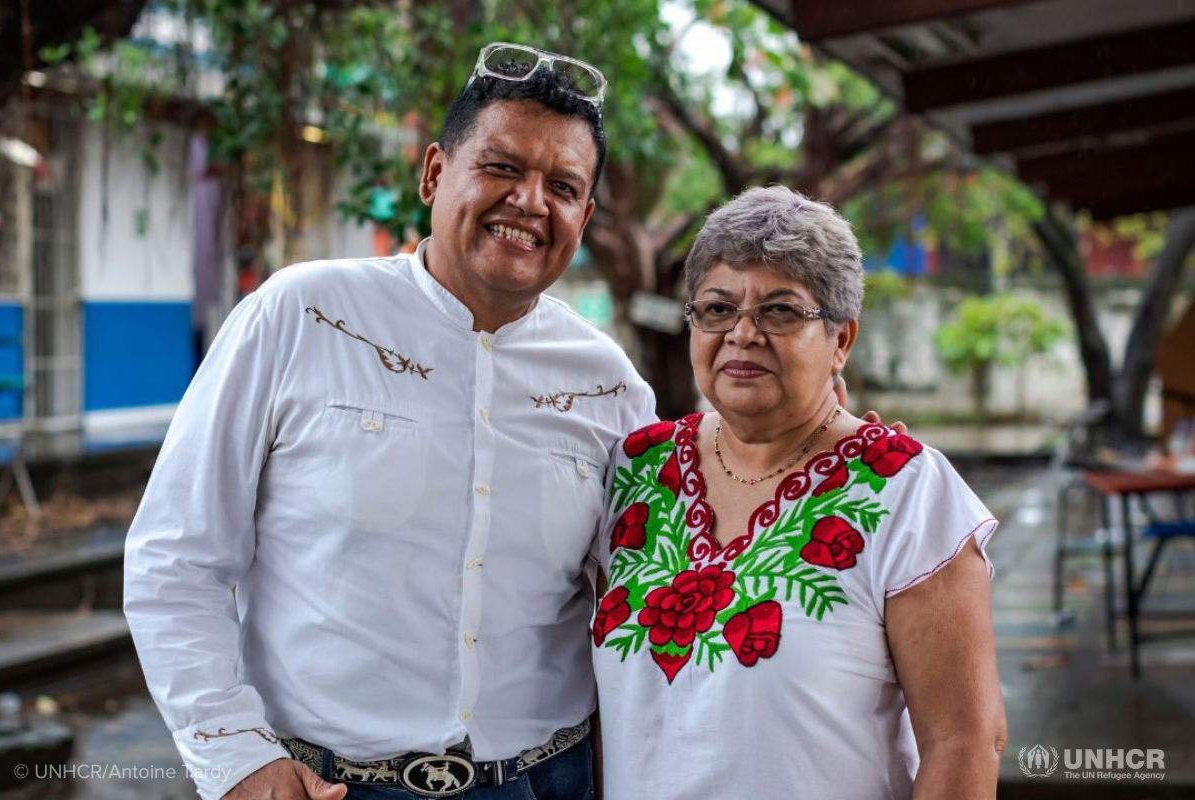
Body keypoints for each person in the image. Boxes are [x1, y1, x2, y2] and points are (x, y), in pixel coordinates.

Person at [123, 43, 656, 800]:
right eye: (501, 167)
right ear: (435, 173)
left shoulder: (609, 386)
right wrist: (235, 756)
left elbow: (646, 595)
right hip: (322, 784)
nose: (531, 202)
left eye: (562, 186)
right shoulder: (301, 315)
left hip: (548, 781)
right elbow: (176, 558)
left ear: (585, 215)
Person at [591, 187, 1007, 800]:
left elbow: (966, 743)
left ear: (841, 340)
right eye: (716, 309)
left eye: (780, 311)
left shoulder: (904, 491)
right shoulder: (634, 469)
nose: (742, 334)